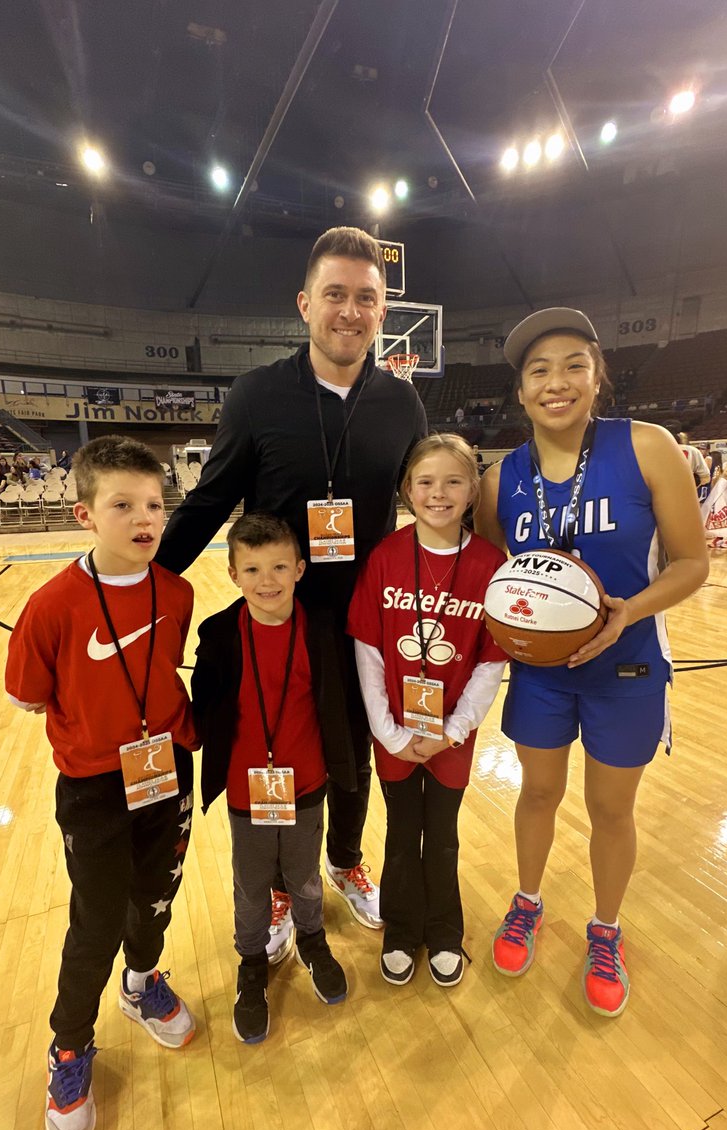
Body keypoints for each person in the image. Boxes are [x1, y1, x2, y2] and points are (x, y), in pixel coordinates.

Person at [155, 226, 428, 951]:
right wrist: (144, 586)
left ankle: (343, 861)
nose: (350, 311)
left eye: (366, 298)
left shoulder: (402, 405)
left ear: (381, 312)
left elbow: (438, 505)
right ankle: (280, 889)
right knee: (276, 751)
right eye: (335, 295)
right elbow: (209, 500)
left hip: (366, 621)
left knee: (356, 755)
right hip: (277, 619)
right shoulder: (257, 395)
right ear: (306, 304)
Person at [476, 307, 707, 1018]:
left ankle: (605, 930)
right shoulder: (498, 480)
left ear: (597, 376)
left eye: (574, 364)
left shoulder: (647, 447)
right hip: (544, 673)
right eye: (539, 371)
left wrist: (627, 613)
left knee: (611, 808)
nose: (557, 382)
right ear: (520, 392)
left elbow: (693, 562)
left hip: (628, 664)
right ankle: (528, 902)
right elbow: (492, 574)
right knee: (538, 794)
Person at [4, 436, 200, 1130]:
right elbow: (28, 698)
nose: (145, 517)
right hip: (92, 788)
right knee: (94, 922)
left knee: (155, 897)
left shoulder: (175, 591)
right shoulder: (50, 607)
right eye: (123, 505)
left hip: (169, 771)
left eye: (154, 504)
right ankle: (69, 1046)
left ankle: (143, 983)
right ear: (86, 513)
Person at [348, 435, 507, 987]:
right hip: (394, 731)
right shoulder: (386, 556)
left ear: (471, 494)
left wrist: (454, 730)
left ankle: (444, 930)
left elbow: (491, 663)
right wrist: (389, 734)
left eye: (453, 482)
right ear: (407, 491)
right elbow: (367, 651)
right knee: (399, 832)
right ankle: (400, 929)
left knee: (441, 837)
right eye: (425, 482)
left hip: (451, 737)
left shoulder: (491, 563)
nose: (438, 493)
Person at [192, 513, 353, 1042]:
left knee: (305, 875)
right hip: (246, 790)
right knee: (251, 884)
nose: (268, 580)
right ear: (233, 573)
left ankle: (312, 939)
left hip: (306, 785)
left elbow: (339, 703)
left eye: (280, 566)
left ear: (301, 569)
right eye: (254, 568)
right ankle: (251, 962)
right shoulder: (217, 635)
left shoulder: (323, 627)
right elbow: (204, 709)